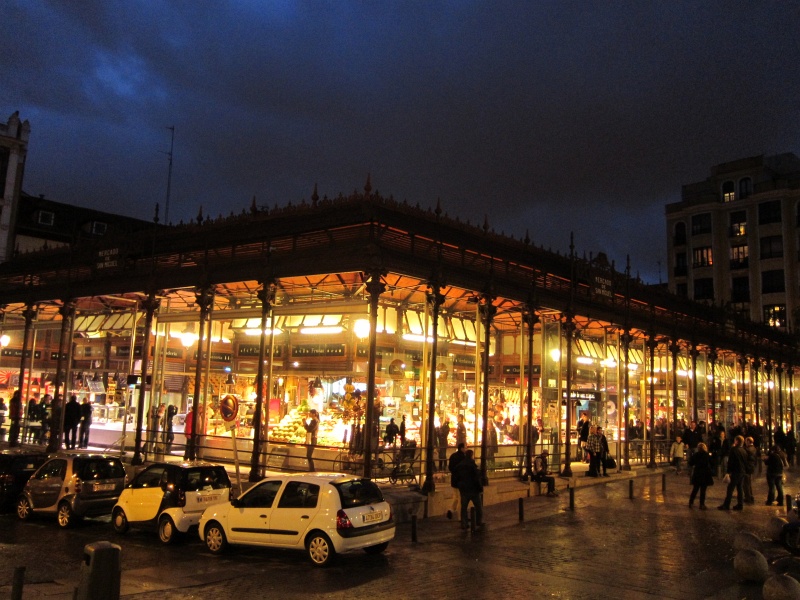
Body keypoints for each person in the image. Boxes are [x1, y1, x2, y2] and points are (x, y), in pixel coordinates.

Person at [454, 449, 483, 529]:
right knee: (478, 506)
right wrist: (480, 488)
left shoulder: (460, 465)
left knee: (464, 507)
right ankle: (478, 521)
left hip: (463, 489)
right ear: (471, 455)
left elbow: (456, 476)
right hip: (473, 489)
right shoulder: (472, 465)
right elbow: (476, 478)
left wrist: (458, 485)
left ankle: (464, 523)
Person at [718, 435, 747, 511]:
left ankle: (726, 504)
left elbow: (731, 462)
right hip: (742, 471)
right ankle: (740, 504)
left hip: (735, 471)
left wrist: (728, 472)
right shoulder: (744, 450)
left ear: (737, 441)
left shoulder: (734, 450)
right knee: (740, 489)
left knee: (730, 489)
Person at [688, 442, 714, 509]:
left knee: (695, 489)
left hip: (697, 473)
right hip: (705, 474)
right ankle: (702, 504)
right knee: (703, 490)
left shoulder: (696, 455)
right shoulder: (707, 455)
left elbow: (690, 463)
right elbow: (712, 463)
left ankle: (691, 502)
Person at [446, 443, 466, 520]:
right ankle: (460, 517)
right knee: (460, 498)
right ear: (461, 448)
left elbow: (450, 467)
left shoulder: (453, 456)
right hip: (461, 480)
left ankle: (451, 510)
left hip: (454, 479)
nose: (466, 449)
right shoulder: (463, 457)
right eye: (465, 447)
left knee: (456, 497)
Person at [742, 436, 757, 504]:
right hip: (751, 467)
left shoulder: (749, 449)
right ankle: (750, 496)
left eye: (746, 441)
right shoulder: (754, 448)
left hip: (748, 467)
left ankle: (748, 497)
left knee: (746, 483)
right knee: (748, 483)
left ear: (748, 441)